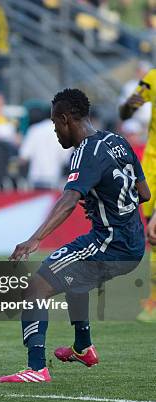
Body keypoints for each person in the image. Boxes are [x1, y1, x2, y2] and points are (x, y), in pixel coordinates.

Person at [0, 89, 150, 383]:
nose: (56, 132)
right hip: (133, 243)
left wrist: (35, 239)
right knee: (71, 274)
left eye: (56, 125)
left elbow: (68, 201)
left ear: (66, 119)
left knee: (35, 289)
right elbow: (144, 194)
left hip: (109, 243)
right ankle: (83, 347)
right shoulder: (117, 141)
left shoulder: (85, 152)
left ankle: (36, 368)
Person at [119, 67, 156, 322]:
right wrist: (132, 104)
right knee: (152, 237)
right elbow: (125, 112)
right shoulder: (152, 78)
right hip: (152, 169)